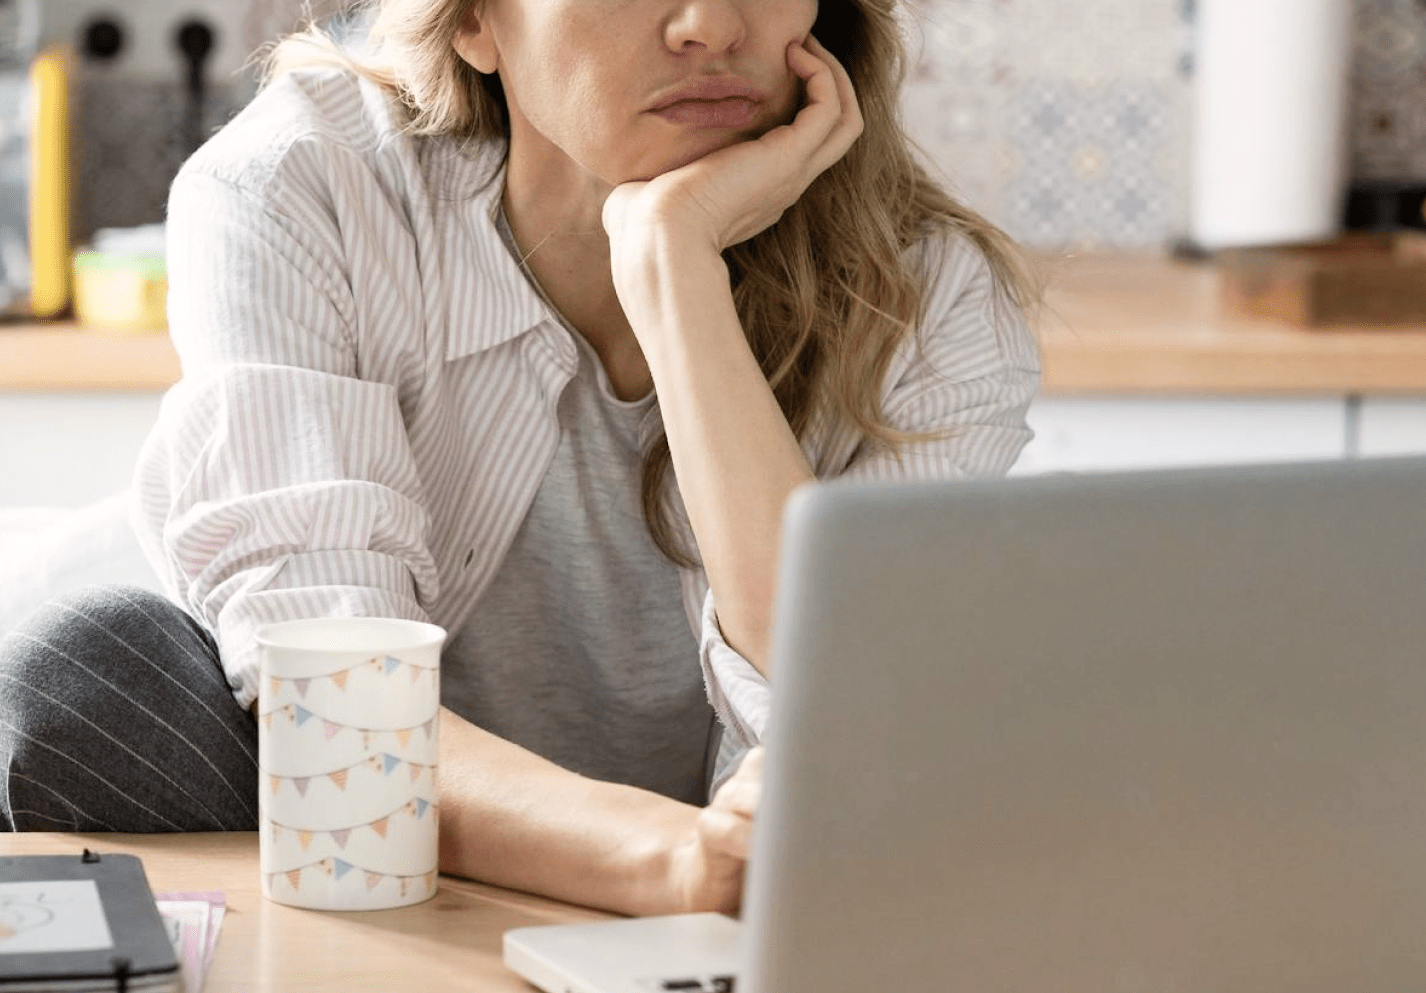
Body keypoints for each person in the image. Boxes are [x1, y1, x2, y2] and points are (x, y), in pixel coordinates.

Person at [0, 0, 1039, 915]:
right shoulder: (297, 183)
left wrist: (674, 273)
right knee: (91, 675)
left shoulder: (931, 292)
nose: (711, 24)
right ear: (473, 21)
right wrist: (675, 860)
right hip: (307, 795)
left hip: (702, 864)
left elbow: (844, 709)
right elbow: (341, 714)